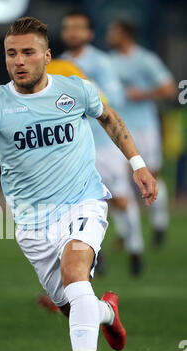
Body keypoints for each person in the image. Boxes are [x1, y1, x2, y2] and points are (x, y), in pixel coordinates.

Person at [0, 17, 157, 351]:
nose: (19, 61)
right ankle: (106, 311)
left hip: (83, 201)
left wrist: (137, 164)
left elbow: (109, 117)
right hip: (32, 223)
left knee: (75, 273)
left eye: (28, 52)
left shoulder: (75, 89)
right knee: (72, 304)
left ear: (47, 56)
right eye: (11, 53)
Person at [59, 10, 145, 275]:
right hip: (74, 147)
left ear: (89, 34)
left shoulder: (101, 63)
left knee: (119, 199)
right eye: (68, 28)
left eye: (78, 28)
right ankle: (97, 252)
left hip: (104, 145)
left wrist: (84, 90)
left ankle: (135, 248)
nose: (72, 32)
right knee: (77, 202)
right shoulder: (57, 64)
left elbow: (114, 99)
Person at [106, 19, 177, 246]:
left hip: (146, 127)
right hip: (119, 129)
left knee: (151, 177)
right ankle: (126, 233)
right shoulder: (108, 62)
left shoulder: (145, 60)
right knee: (119, 181)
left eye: (113, 31)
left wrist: (143, 94)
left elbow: (169, 88)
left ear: (125, 34)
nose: (109, 34)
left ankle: (159, 223)